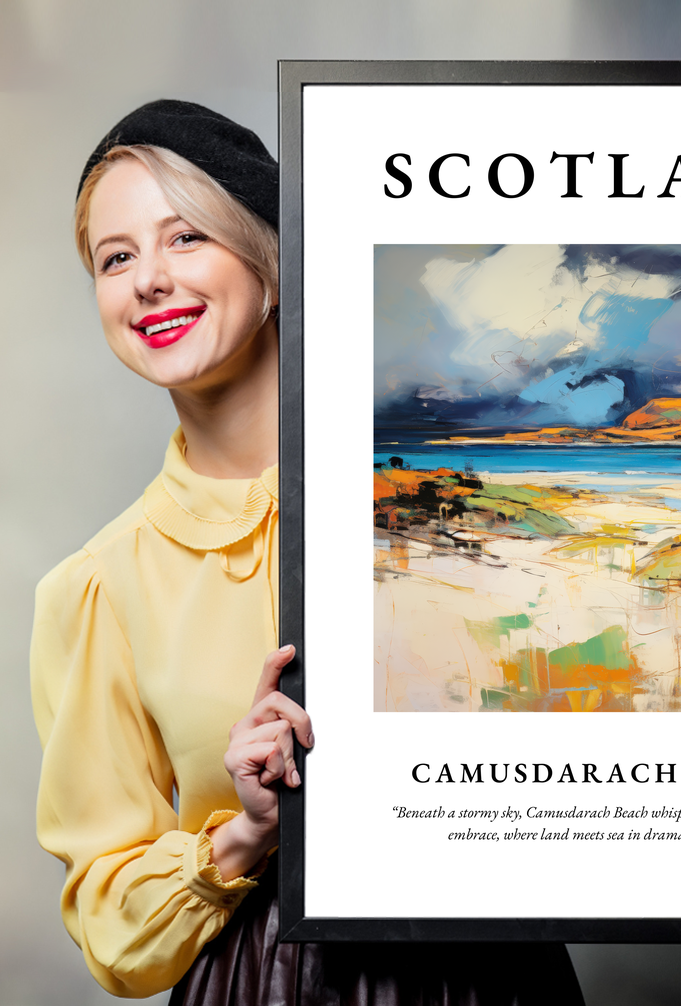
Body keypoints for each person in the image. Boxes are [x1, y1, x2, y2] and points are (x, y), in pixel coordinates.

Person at [30, 100, 585, 1004]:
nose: (148, 281)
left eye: (186, 239)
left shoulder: (446, 499)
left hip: (492, 973)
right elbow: (110, 924)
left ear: (273, 264)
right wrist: (245, 832)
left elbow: (615, 703)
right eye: (116, 257)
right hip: (263, 981)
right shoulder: (97, 587)